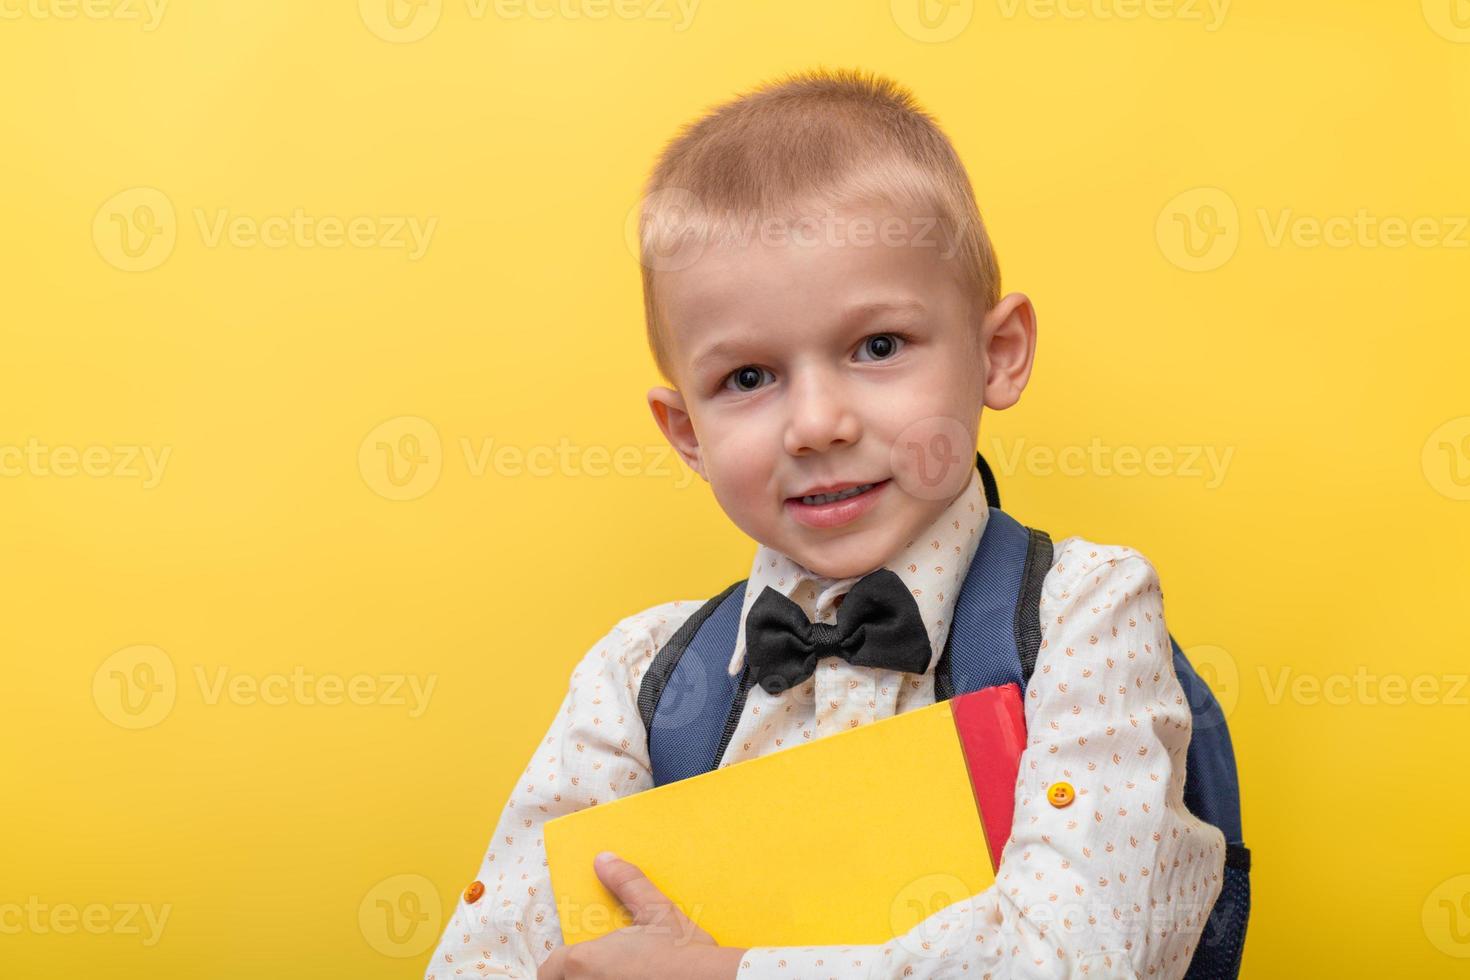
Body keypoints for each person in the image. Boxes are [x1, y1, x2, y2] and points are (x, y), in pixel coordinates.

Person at [425, 67, 1225, 980]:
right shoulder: (635, 682)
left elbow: (1073, 960)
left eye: (877, 347)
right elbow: (486, 964)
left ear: (997, 355)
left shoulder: (1082, 616)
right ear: (687, 432)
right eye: (748, 379)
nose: (816, 425)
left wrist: (726, 973)